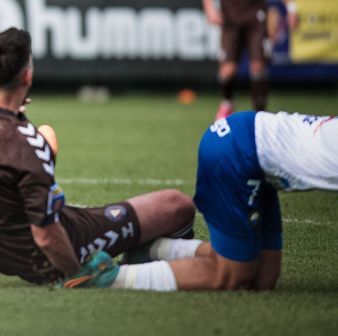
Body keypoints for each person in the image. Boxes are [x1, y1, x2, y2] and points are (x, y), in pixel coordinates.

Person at [0, 28, 197, 286]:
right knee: (178, 204)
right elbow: (46, 236)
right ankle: (130, 267)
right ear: (27, 77)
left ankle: (144, 251)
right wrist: (76, 274)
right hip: (39, 255)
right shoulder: (30, 145)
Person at [65, 110, 337, 291]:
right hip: (238, 151)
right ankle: (107, 277)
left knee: (263, 279)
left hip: (253, 152)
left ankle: (152, 250)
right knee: (231, 277)